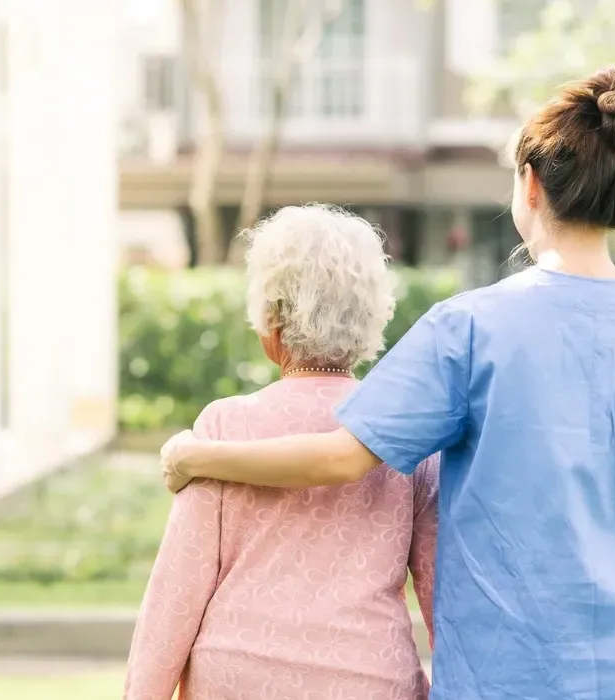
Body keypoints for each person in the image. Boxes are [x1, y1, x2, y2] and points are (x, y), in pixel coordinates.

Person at [159, 66, 615, 700]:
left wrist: (198, 454)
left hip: (507, 675)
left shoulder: (469, 327)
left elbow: (340, 457)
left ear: (530, 182)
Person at [124, 204, 437, 700]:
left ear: (271, 318)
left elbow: (175, 595)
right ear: (372, 316)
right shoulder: (409, 437)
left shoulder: (225, 426)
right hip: (367, 679)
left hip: (237, 677)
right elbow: (442, 594)